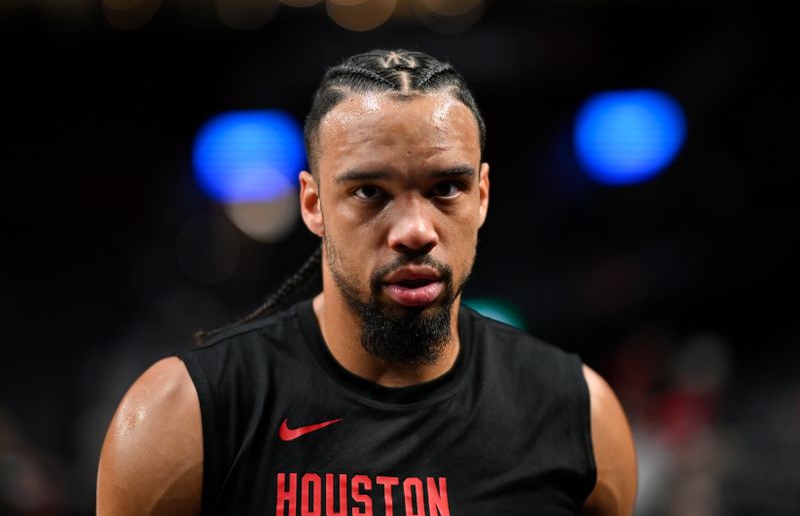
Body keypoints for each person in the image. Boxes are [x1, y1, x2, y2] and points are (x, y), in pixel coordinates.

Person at [97, 49, 636, 515]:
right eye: (369, 193)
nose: (416, 231)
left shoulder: (579, 414)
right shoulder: (182, 417)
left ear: (483, 197)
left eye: (447, 187)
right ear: (313, 205)